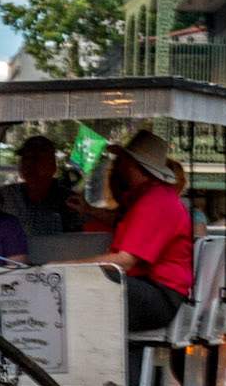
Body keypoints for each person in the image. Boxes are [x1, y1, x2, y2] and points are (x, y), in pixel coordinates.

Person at [79, 128, 193, 331]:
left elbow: (125, 261)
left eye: (125, 160)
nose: (120, 165)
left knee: (82, 283)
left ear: (135, 165)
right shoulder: (154, 198)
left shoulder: (154, 203)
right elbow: (121, 221)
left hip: (159, 296)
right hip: (159, 293)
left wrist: (66, 267)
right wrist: (88, 210)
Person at [0, 136, 74, 239]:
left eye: (36, 158)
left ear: (52, 165)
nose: (28, 163)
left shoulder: (70, 201)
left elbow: (85, 240)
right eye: (25, 157)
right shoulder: (4, 195)